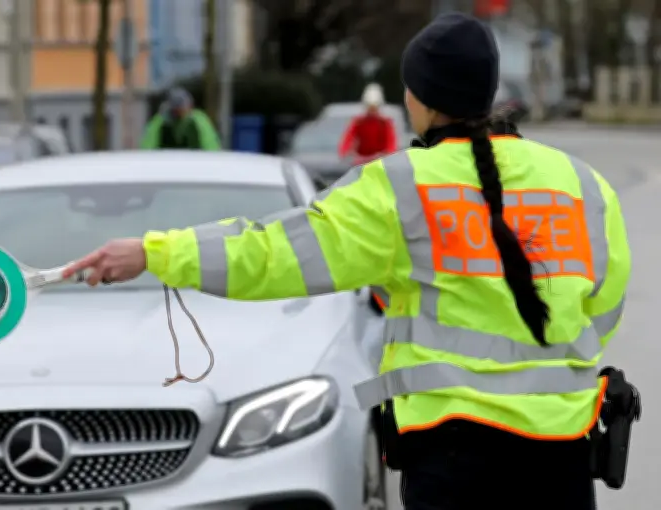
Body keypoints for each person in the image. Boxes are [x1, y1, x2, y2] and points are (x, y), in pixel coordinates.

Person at [64, 13, 630, 510]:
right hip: (563, 455)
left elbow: (271, 254)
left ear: (419, 98)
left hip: (454, 457)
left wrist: (155, 254)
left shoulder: (398, 188)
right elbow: (604, 306)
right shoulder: (582, 184)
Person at [140, 87, 221, 150]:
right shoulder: (161, 121)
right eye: (176, 109)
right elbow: (147, 146)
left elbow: (211, 145)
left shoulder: (198, 120)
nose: (179, 112)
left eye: (181, 108)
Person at [337, 82, 398, 164]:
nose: (372, 111)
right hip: (361, 163)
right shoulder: (359, 122)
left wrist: (388, 155)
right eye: (370, 107)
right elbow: (348, 138)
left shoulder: (384, 123)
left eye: (374, 108)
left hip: (380, 162)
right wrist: (344, 151)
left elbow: (391, 143)